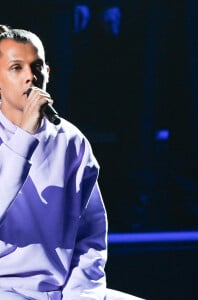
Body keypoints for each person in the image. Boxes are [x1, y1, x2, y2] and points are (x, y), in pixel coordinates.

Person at [0, 24, 142, 299]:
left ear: (48, 74)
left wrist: (82, 294)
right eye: (16, 68)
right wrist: (25, 136)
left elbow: (91, 234)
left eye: (37, 66)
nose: (31, 77)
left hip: (64, 290)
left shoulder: (70, 139)